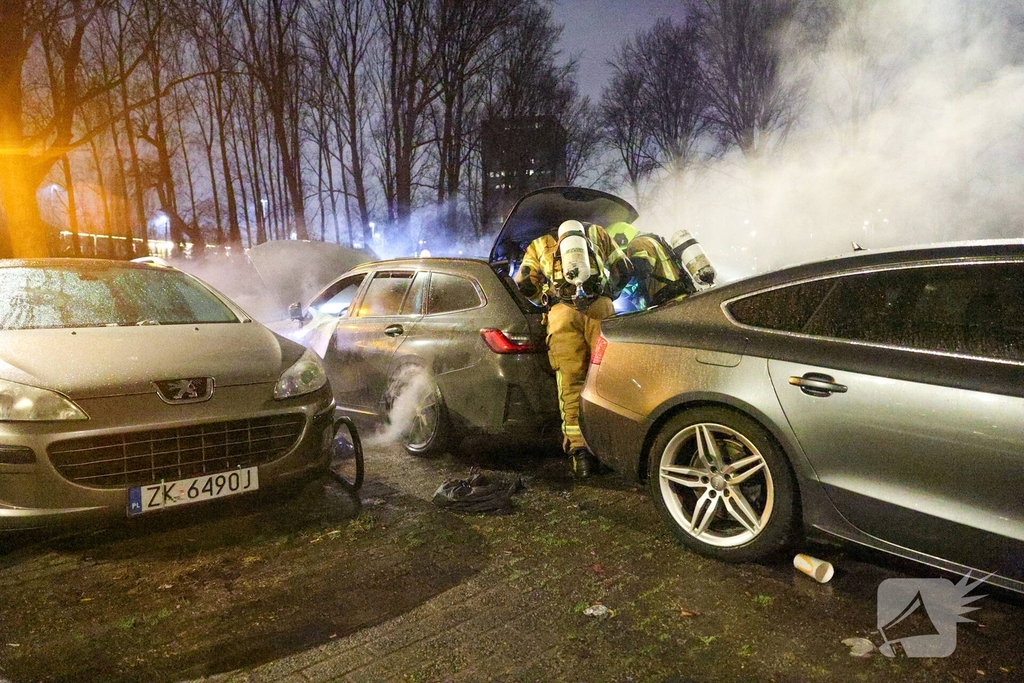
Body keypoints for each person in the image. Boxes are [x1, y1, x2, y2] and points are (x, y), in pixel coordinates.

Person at [514, 219, 633, 478]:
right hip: (601, 311)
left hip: (562, 314)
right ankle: (616, 448)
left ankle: (581, 456)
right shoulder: (598, 233)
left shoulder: (539, 243)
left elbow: (523, 280)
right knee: (607, 378)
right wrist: (607, 295)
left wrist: (544, 301)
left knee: (570, 383)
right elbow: (624, 267)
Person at [626, 229, 716, 309]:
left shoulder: (637, 243)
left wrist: (622, 281)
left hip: (668, 300)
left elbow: (642, 269)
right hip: (682, 295)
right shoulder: (653, 240)